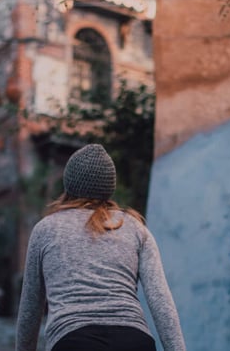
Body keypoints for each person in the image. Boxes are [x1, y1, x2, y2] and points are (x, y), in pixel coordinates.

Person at [15, 144, 186, 351]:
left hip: (73, 341)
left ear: (68, 184)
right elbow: (161, 303)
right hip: (133, 341)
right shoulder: (134, 228)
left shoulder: (45, 229)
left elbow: (29, 314)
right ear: (109, 187)